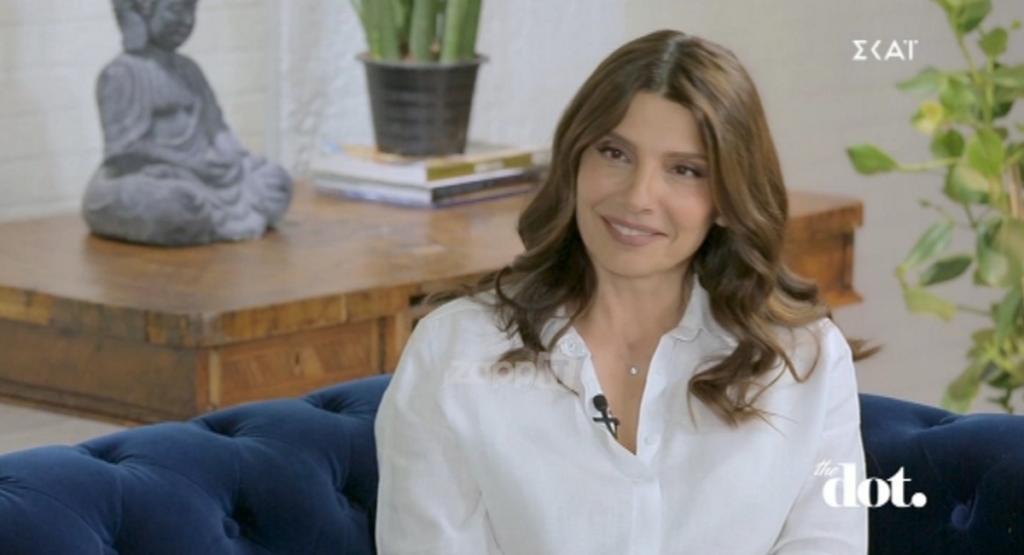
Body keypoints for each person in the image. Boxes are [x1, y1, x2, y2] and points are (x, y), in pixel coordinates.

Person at [374, 29, 880, 554]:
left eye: (685, 170)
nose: (638, 196)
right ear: (574, 161)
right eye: (614, 153)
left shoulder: (807, 361)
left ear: (728, 198)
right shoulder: (453, 350)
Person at [83, 0, 292, 246]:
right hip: (154, 174)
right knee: (173, 205)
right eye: (175, 9)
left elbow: (218, 132)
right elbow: (124, 155)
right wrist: (188, 165)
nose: (186, 20)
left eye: (191, 10)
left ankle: (207, 212)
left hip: (208, 175)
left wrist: (236, 159)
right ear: (144, 11)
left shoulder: (189, 70)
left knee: (275, 183)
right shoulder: (121, 74)